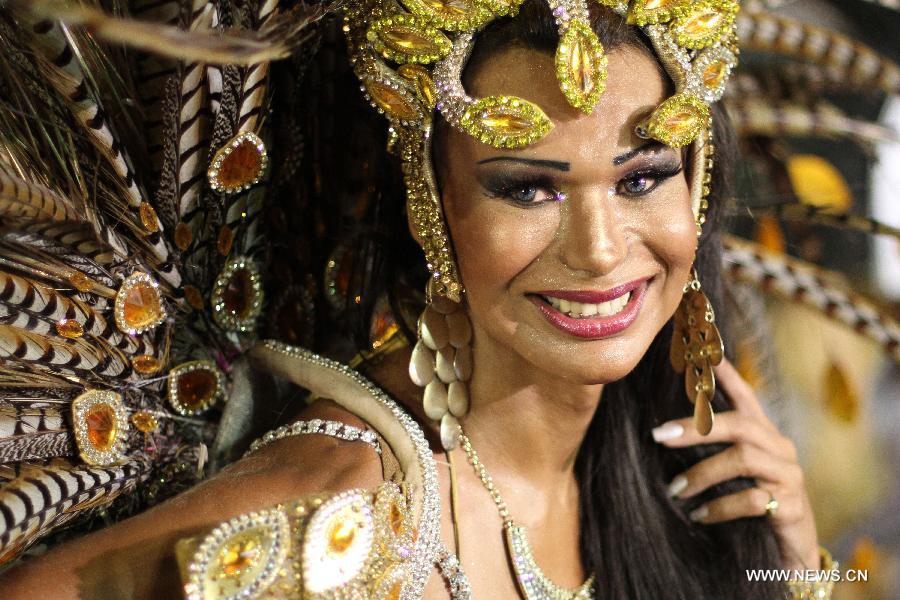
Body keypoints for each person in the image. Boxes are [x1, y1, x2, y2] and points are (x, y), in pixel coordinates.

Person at [0, 0, 838, 598]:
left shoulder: (657, 471)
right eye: (529, 191)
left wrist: (788, 566)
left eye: (643, 178)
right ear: (431, 209)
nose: (600, 249)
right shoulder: (351, 512)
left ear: (697, 190)